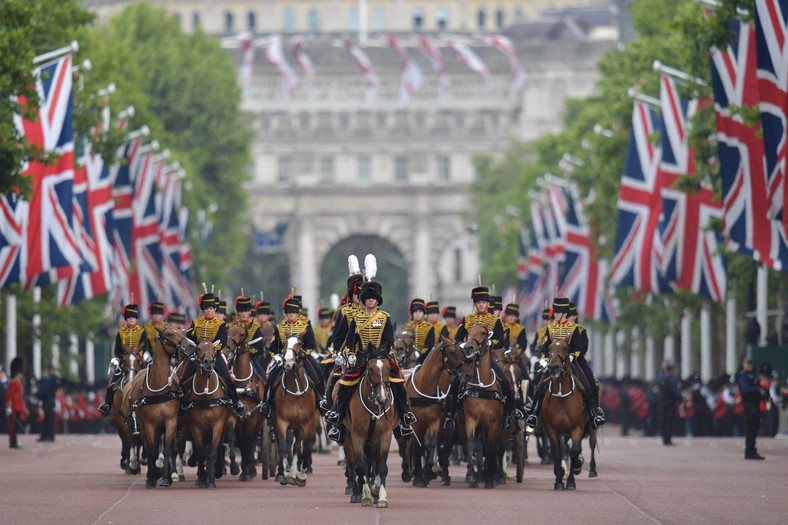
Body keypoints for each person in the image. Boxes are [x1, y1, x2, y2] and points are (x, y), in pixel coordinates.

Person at [325, 280, 416, 442]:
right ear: (364, 300)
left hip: (381, 355)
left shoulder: (384, 317)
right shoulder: (357, 318)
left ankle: (405, 417)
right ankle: (337, 416)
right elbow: (350, 339)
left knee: (399, 381)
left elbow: (389, 339)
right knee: (345, 382)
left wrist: (382, 351)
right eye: (368, 298)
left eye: (374, 298)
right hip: (362, 356)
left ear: (377, 300)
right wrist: (351, 353)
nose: (371, 300)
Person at [442, 286, 524, 431]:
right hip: (469, 360)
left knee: (505, 382)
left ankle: (508, 414)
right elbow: (459, 338)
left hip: (487, 359)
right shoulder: (467, 320)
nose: (481, 305)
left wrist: (491, 342)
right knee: (454, 383)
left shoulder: (494, 321)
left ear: (488, 304)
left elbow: (500, 341)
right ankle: (450, 415)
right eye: (478, 302)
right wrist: (464, 345)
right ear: (475, 304)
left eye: (483, 302)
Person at [525, 298, 605, 432]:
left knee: (587, 383)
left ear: (563, 313)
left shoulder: (574, 329)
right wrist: (545, 359)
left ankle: (594, 413)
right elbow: (544, 347)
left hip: (572, 362)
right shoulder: (550, 329)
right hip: (553, 363)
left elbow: (579, 347)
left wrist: (573, 356)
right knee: (540, 385)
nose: (554, 315)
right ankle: (533, 413)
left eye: (556, 312)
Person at [259, 296, 328, 418]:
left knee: (316, 374)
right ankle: (266, 403)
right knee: (270, 378)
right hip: (284, 358)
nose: (291, 315)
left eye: (294, 313)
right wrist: (276, 356)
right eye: (289, 313)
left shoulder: (305, 325)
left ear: (298, 313)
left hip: (302, 357)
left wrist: (302, 354)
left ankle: (321, 400)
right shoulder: (280, 327)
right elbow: (274, 346)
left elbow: (310, 344)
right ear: (286, 313)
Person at [180, 293, 244, 418]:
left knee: (227, 377)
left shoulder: (220, 324)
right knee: (184, 378)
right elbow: (189, 339)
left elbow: (222, 340)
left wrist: (210, 350)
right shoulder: (195, 323)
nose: (209, 311)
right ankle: (181, 404)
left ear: (214, 310)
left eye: (211, 308)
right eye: (206, 309)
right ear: (203, 310)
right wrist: (198, 350)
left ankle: (235, 402)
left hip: (214, 355)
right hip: (198, 356)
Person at [98, 304, 151, 416]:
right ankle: (107, 404)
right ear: (126, 319)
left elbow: (144, 347)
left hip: (138, 361)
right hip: (124, 363)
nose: (131, 319)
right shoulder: (121, 332)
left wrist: (138, 355)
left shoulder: (142, 331)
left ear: (136, 319)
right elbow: (117, 349)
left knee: (149, 380)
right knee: (112, 382)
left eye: (133, 317)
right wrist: (117, 359)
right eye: (129, 317)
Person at [231, 295, 267, 379]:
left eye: (246, 311)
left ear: (250, 312)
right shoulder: (231, 327)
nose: (244, 313)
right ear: (238, 312)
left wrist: (246, 350)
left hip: (250, 358)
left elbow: (260, 349)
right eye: (241, 311)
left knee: (264, 378)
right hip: (233, 359)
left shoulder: (255, 327)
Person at [738, 357, 766, 459]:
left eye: (751, 364)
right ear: (744, 364)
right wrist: (758, 391)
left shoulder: (752, 375)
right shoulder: (743, 376)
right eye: (748, 364)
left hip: (754, 404)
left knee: (754, 428)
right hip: (749, 405)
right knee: (751, 428)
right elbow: (745, 390)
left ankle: (751, 450)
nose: (750, 366)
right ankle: (750, 452)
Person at [657, 359, 682, 446]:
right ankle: (667, 439)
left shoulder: (661, 380)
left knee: (663, 421)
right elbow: (675, 392)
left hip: (663, 403)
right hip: (670, 403)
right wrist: (681, 399)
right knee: (669, 421)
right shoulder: (671, 380)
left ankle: (664, 438)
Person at [5, 357, 28, 449]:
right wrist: (9, 407)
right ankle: (12, 442)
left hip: (18, 406)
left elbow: (20, 397)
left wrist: (24, 408)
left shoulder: (18, 382)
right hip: (14, 406)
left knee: (16, 427)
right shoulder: (13, 382)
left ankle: (15, 441)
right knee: (12, 427)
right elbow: (9, 395)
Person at [403, 298, 434, 363]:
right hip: (408, 357)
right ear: (412, 313)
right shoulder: (407, 326)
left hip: (424, 357)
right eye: (415, 312)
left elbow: (429, 344)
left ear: (423, 313)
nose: (418, 314)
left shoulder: (429, 327)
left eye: (420, 312)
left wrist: (419, 352)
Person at [37, 363, 58, 441]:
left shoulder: (50, 379)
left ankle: (48, 436)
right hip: (52, 400)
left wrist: (39, 395)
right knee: (50, 419)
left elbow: (45, 390)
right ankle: (50, 435)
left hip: (47, 401)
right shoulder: (55, 378)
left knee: (48, 420)